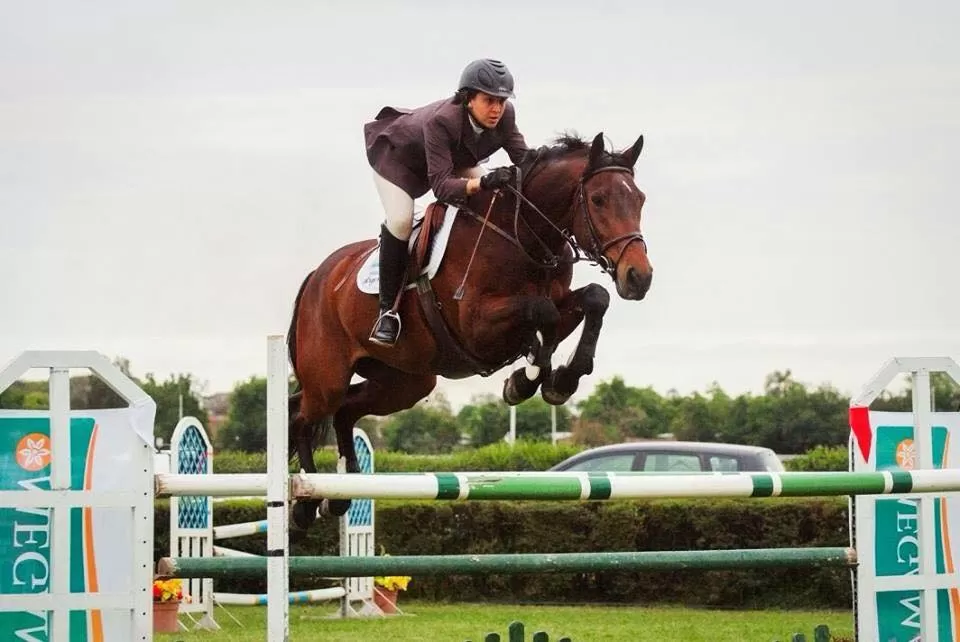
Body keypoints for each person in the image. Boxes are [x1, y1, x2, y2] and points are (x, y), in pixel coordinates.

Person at [362, 58, 531, 347]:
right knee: (402, 219)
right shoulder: (442, 121)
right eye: (489, 100)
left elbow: (526, 160)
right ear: (468, 99)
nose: (497, 109)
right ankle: (387, 312)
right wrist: (483, 181)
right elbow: (441, 187)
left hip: (453, 158)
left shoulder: (506, 117)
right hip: (398, 162)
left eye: (501, 101)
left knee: (493, 200)